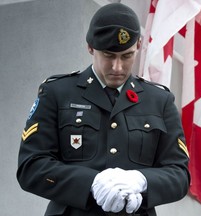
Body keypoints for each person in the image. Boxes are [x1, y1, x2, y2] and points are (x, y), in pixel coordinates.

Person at [16, 3, 190, 216]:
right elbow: (30, 167)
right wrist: (90, 182)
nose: (118, 67)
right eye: (108, 55)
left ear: (139, 45)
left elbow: (179, 175)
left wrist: (142, 181)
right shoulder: (57, 93)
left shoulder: (159, 100)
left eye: (126, 56)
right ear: (90, 47)